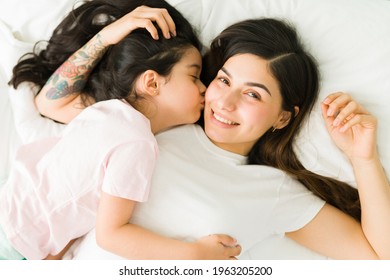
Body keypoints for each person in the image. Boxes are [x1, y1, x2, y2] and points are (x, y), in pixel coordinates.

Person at [33, 14, 390, 259]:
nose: (226, 102)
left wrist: (364, 158)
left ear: (284, 116)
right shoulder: (155, 126)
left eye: (253, 94)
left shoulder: (272, 189)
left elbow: (379, 255)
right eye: (224, 80)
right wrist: (109, 36)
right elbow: (51, 103)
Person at [0, 0, 242, 260]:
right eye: (193, 77)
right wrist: (195, 254)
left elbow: (50, 103)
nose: (204, 88)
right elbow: (112, 235)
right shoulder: (136, 141)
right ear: (151, 81)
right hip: (15, 239)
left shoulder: (108, 113)